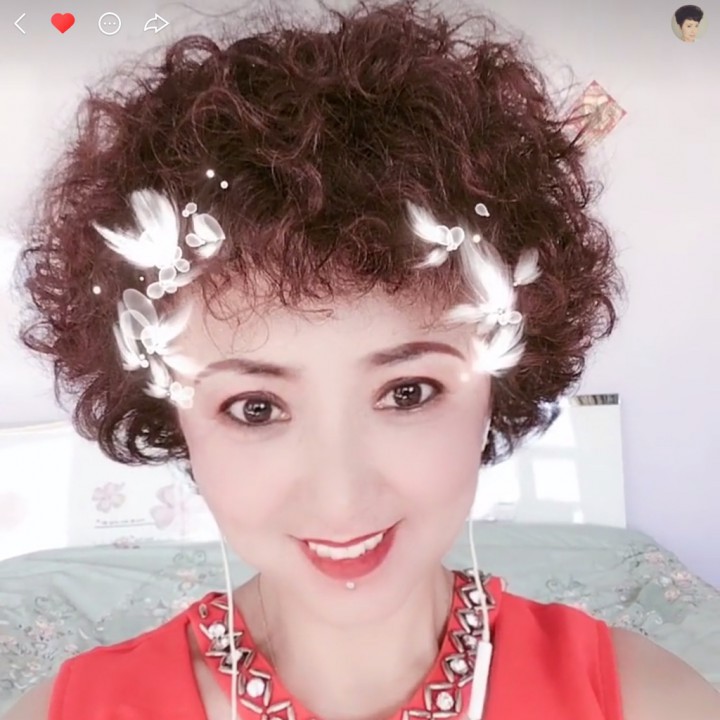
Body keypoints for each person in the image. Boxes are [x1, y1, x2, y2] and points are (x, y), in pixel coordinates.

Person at [5, 1, 720, 719]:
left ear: (499, 383)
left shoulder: (655, 702)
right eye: (256, 408)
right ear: (170, 415)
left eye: (408, 391)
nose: (341, 499)